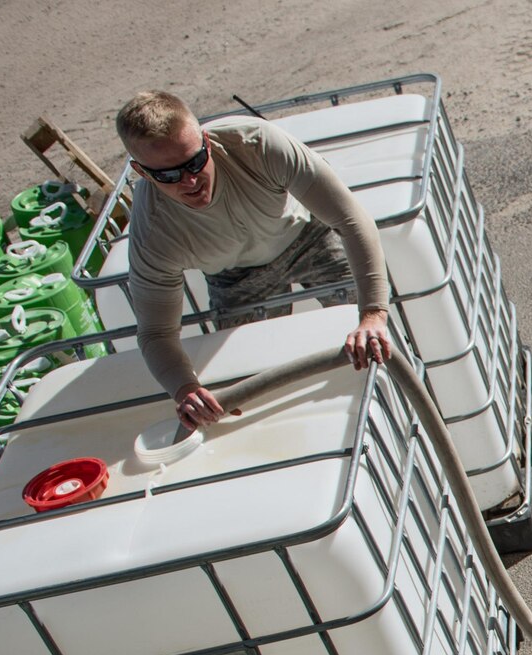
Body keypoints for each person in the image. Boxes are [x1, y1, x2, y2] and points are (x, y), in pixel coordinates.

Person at [115, 90, 394, 432]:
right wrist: (185, 389)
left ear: (207, 141)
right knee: (247, 386)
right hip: (235, 278)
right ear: (141, 172)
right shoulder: (153, 233)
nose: (189, 181)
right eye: (168, 176)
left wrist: (372, 315)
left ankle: (393, 403)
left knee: (378, 338)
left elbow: (351, 221)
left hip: (308, 236)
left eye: (194, 161)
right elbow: (156, 332)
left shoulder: (257, 144)